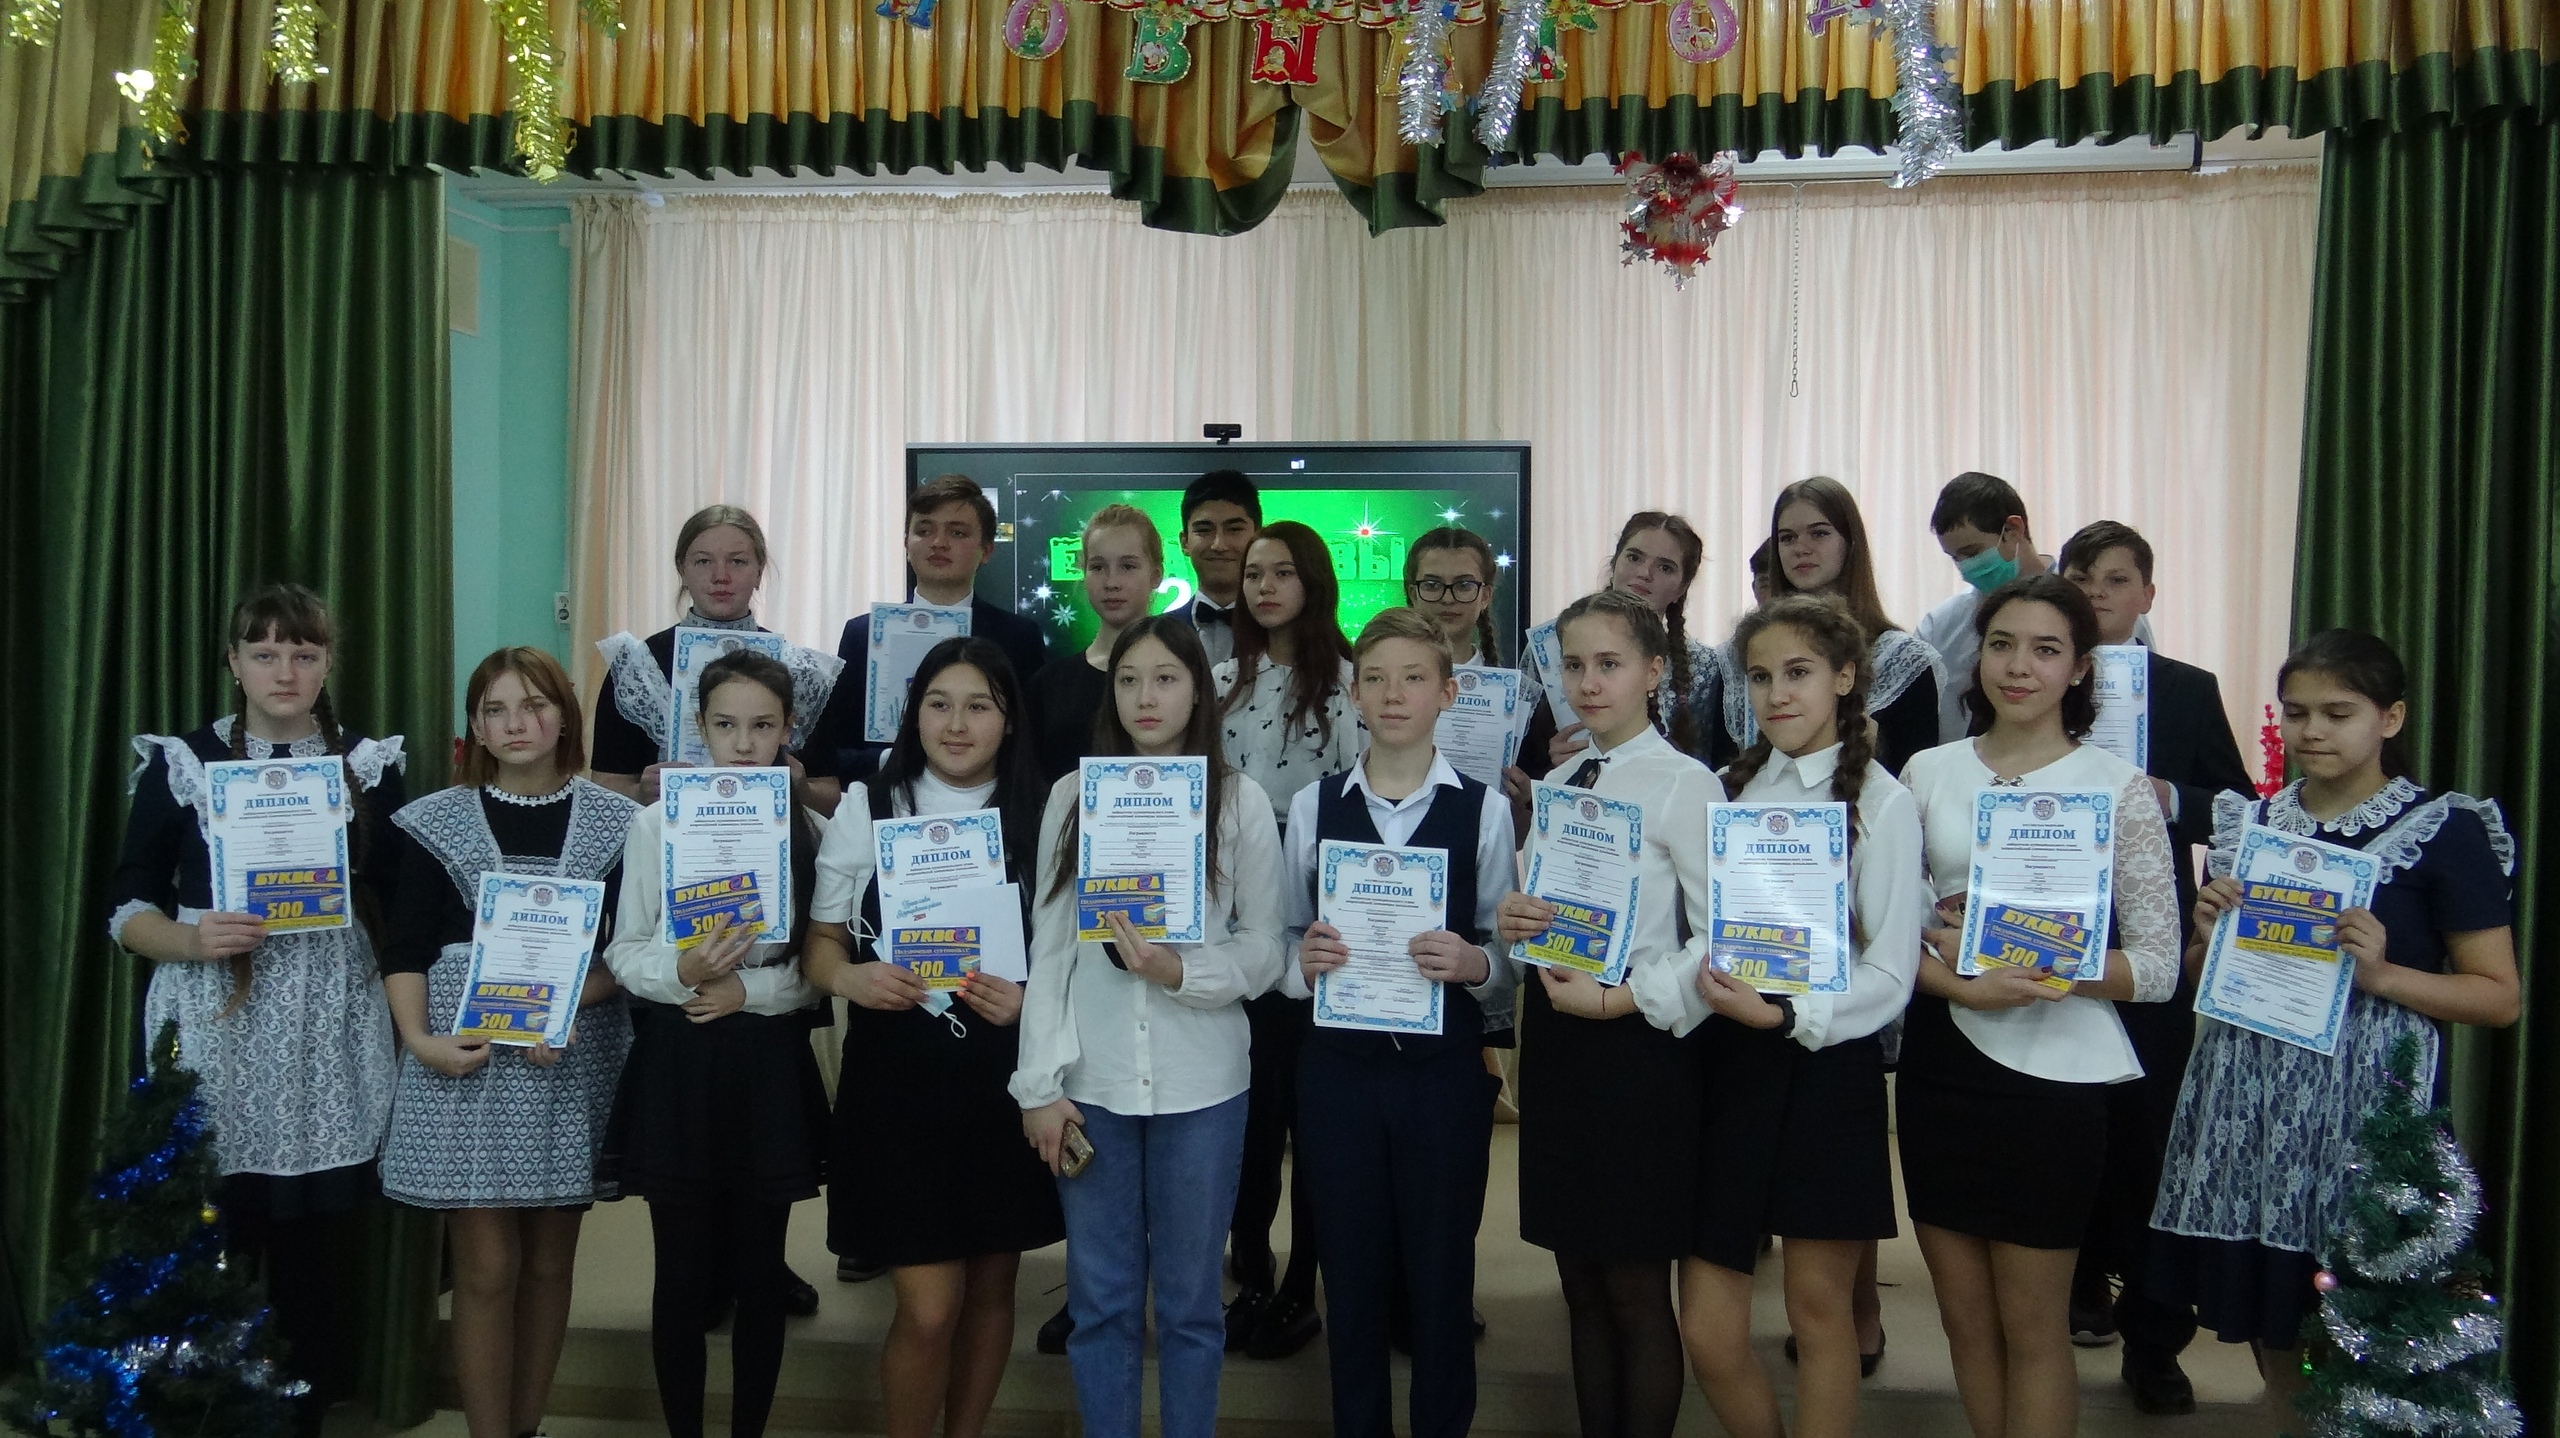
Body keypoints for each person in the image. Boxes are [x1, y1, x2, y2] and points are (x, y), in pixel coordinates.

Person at [2148, 629, 2519, 1438]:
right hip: (2251, 1115)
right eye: (2297, 712)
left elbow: (2498, 997)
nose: (2312, 730)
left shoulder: (2443, 829)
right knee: (2273, 1318)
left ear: (2391, 718)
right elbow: (2199, 980)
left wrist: (2382, 975)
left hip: (2364, 1121)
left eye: (2338, 712)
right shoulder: (2252, 826)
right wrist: (2205, 938)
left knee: (2361, 1321)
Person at [108, 583, 409, 1437]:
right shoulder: (184, 763)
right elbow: (127, 903)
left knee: (316, 1248)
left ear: (327, 664)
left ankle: (303, 1417)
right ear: (234, 663)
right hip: (214, 1019)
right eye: (265, 653)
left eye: (304, 654)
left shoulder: (366, 766)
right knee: (215, 1234)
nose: (285, 671)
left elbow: (401, 902)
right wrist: (189, 938)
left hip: (327, 1021)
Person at [1897, 574, 2181, 1438]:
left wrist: (2037, 959)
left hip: (2055, 1077)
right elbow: (1892, 932)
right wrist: (1958, 974)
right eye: (2001, 645)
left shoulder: (2118, 786)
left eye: (2045, 650)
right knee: (1964, 1321)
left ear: (2081, 668)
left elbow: (2159, 968)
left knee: (2032, 1329)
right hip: (1943, 1062)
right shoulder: (1927, 771)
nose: (2018, 667)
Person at [1013, 615, 1287, 1438]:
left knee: (1192, 1304)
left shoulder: (1239, 801)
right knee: (1100, 1302)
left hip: (1203, 1086)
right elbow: (1049, 953)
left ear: (1199, 691)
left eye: (1166, 678)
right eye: (1129, 679)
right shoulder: (1075, 796)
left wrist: (1181, 973)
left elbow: (1265, 950)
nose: (1146, 697)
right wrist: (1038, 1086)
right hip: (1092, 1085)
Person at [1672, 595, 1923, 1438]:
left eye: (1799, 672)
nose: (1776, 694)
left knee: (1821, 1317)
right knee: (1709, 1330)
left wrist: (1788, 1017)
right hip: (1730, 1069)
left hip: (1827, 1072)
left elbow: (1890, 973)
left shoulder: (1883, 804)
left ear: (1845, 678)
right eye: (1759, 677)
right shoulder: (1727, 790)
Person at [803, 638, 1064, 1438]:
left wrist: (1029, 1003)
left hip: (1003, 1087)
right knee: (928, 1310)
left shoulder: (1046, 811)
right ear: (913, 714)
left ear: (1009, 719)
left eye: (979, 706)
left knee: (990, 1295)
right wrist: (851, 980)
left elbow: (1073, 960)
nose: (956, 724)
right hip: (896, 1090)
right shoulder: (870, 805)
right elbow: (821, 948)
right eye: (938, 704)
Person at [380, 647, 639, 1438]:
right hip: (464, 1061)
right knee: (488, 1268)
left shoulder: (621, 824)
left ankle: (527, 1427)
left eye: (533, 705)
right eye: (495, 710)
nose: (515, 724)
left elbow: (627, 956)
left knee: (551, 1264)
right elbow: (404, 950)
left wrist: (560, 1007)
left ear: (565, 716)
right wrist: (419, 1040)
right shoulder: (434, 821)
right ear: (476, 728)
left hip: (569, 1059)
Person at [1283, 608, 1518, 1438]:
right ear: (1352, 693)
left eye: (1414, 678)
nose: (1393, 694)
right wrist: (1302, 961)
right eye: (1375, 678)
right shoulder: (1312, 807)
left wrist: (1475, 962)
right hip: (1337, 1074)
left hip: (1442, 1075)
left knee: (1441, 1275)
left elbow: (1506, 952)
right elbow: (1284, 938)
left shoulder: (1485, 812)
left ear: (1447, 693)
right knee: (1348, 1276)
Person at [1497, 589, 1724, 1438]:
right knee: (1579, 1286)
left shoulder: (1686, 784)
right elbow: (1540, 912)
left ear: (1654, 671)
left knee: (1633, 1288)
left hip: (1640, 1049)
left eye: (1610, 664)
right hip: (1561, 1043)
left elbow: (1721, 940)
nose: (1588, 683)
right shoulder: (1561, 782)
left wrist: (1627, 996)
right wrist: (1515, 920)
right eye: (1574, 665)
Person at [2054, 520, 2257, 1412]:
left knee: (2149, 1140)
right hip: (2049, 939)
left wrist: (2175, 797)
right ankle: (2075, 1284)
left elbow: (2243, 808)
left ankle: (2155, 1339)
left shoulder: (2185, 688)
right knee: (2064, 1131)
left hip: (2153, 948)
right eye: (2081, 577)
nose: (2098, 593)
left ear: (2147, 594)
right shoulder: (2037, 677)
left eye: (2115, 579)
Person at [603, 651, 833, 1438]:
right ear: (698, 728)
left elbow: (821, 968)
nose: (743, 743)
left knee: (761, 1272)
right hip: (681, 1059)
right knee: (682, 1274)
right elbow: (626, 950)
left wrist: (749, 992)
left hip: (768, 1063)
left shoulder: (813, 830)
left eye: (762, 726)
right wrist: (682, 971)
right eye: (726, 725)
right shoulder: (653, 824)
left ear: (787, 729)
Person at [1213, 517, 1364, 1358]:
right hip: (1236, 910)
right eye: (1253, 573)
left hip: (1317, 913)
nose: (1264, 587)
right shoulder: (1218, 680)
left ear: (1314, 581)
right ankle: (1252, 1273)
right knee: (1252, 1112)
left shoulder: (1349, 683)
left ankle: (1304, 1282)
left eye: (1281, 572)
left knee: (1312, 1117)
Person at [593, 504, 851, 821]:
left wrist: (801, 789)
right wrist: (639, 793)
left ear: (759, 572)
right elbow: (604, 785)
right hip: (667, 837)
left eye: (737, 561)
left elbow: (830, 796)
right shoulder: (638, 667)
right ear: (682, 570)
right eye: (703, 561)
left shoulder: (800, 671)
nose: (720, 577)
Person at [834, 476, 1055, 784]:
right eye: (924, 531)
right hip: (882, 796)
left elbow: (1029, 747)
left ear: (986, 550)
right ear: (906, 544)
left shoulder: (1018, 637)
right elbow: (834, 752)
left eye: (957, 532)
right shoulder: (862, 634)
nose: (938, 542)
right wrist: (894, 760)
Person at [1917, 473, 2152, 745]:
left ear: (2013, 530)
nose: (1965, 568)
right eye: (1955, 558)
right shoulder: (1941, 625)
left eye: (1972, 553)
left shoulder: (2094, 606)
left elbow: (2143, 690)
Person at [1520, 512, 1731, 777]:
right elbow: (1520, 757)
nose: (1644, 573)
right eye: (1634, 557)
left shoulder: (1705, 666)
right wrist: (1549, 767)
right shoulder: (1550, 646)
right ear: (1615, 563)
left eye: (1665, 567)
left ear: (1681, 587)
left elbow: (1713, 762)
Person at [1761, 477, 1946, 774]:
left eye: (1819, 533)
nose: (1801, 548)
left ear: (1851, 543)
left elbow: (1914, 777)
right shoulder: (1747, 654)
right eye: (1787, 538)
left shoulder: (1903, 660)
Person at [1029, 505, 1166, 785]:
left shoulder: (1185, 676)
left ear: (1156, 575)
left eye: (1128, 566)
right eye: (1098, 567)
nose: (1112, 582)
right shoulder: (1050, 685)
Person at [1162, 469, 1263, 668]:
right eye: (1204, 530)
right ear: (1184, 542)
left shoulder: (1285, 634)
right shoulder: (1157, 635)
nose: (1219, 545)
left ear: (1258, 538)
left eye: (1234, 529)